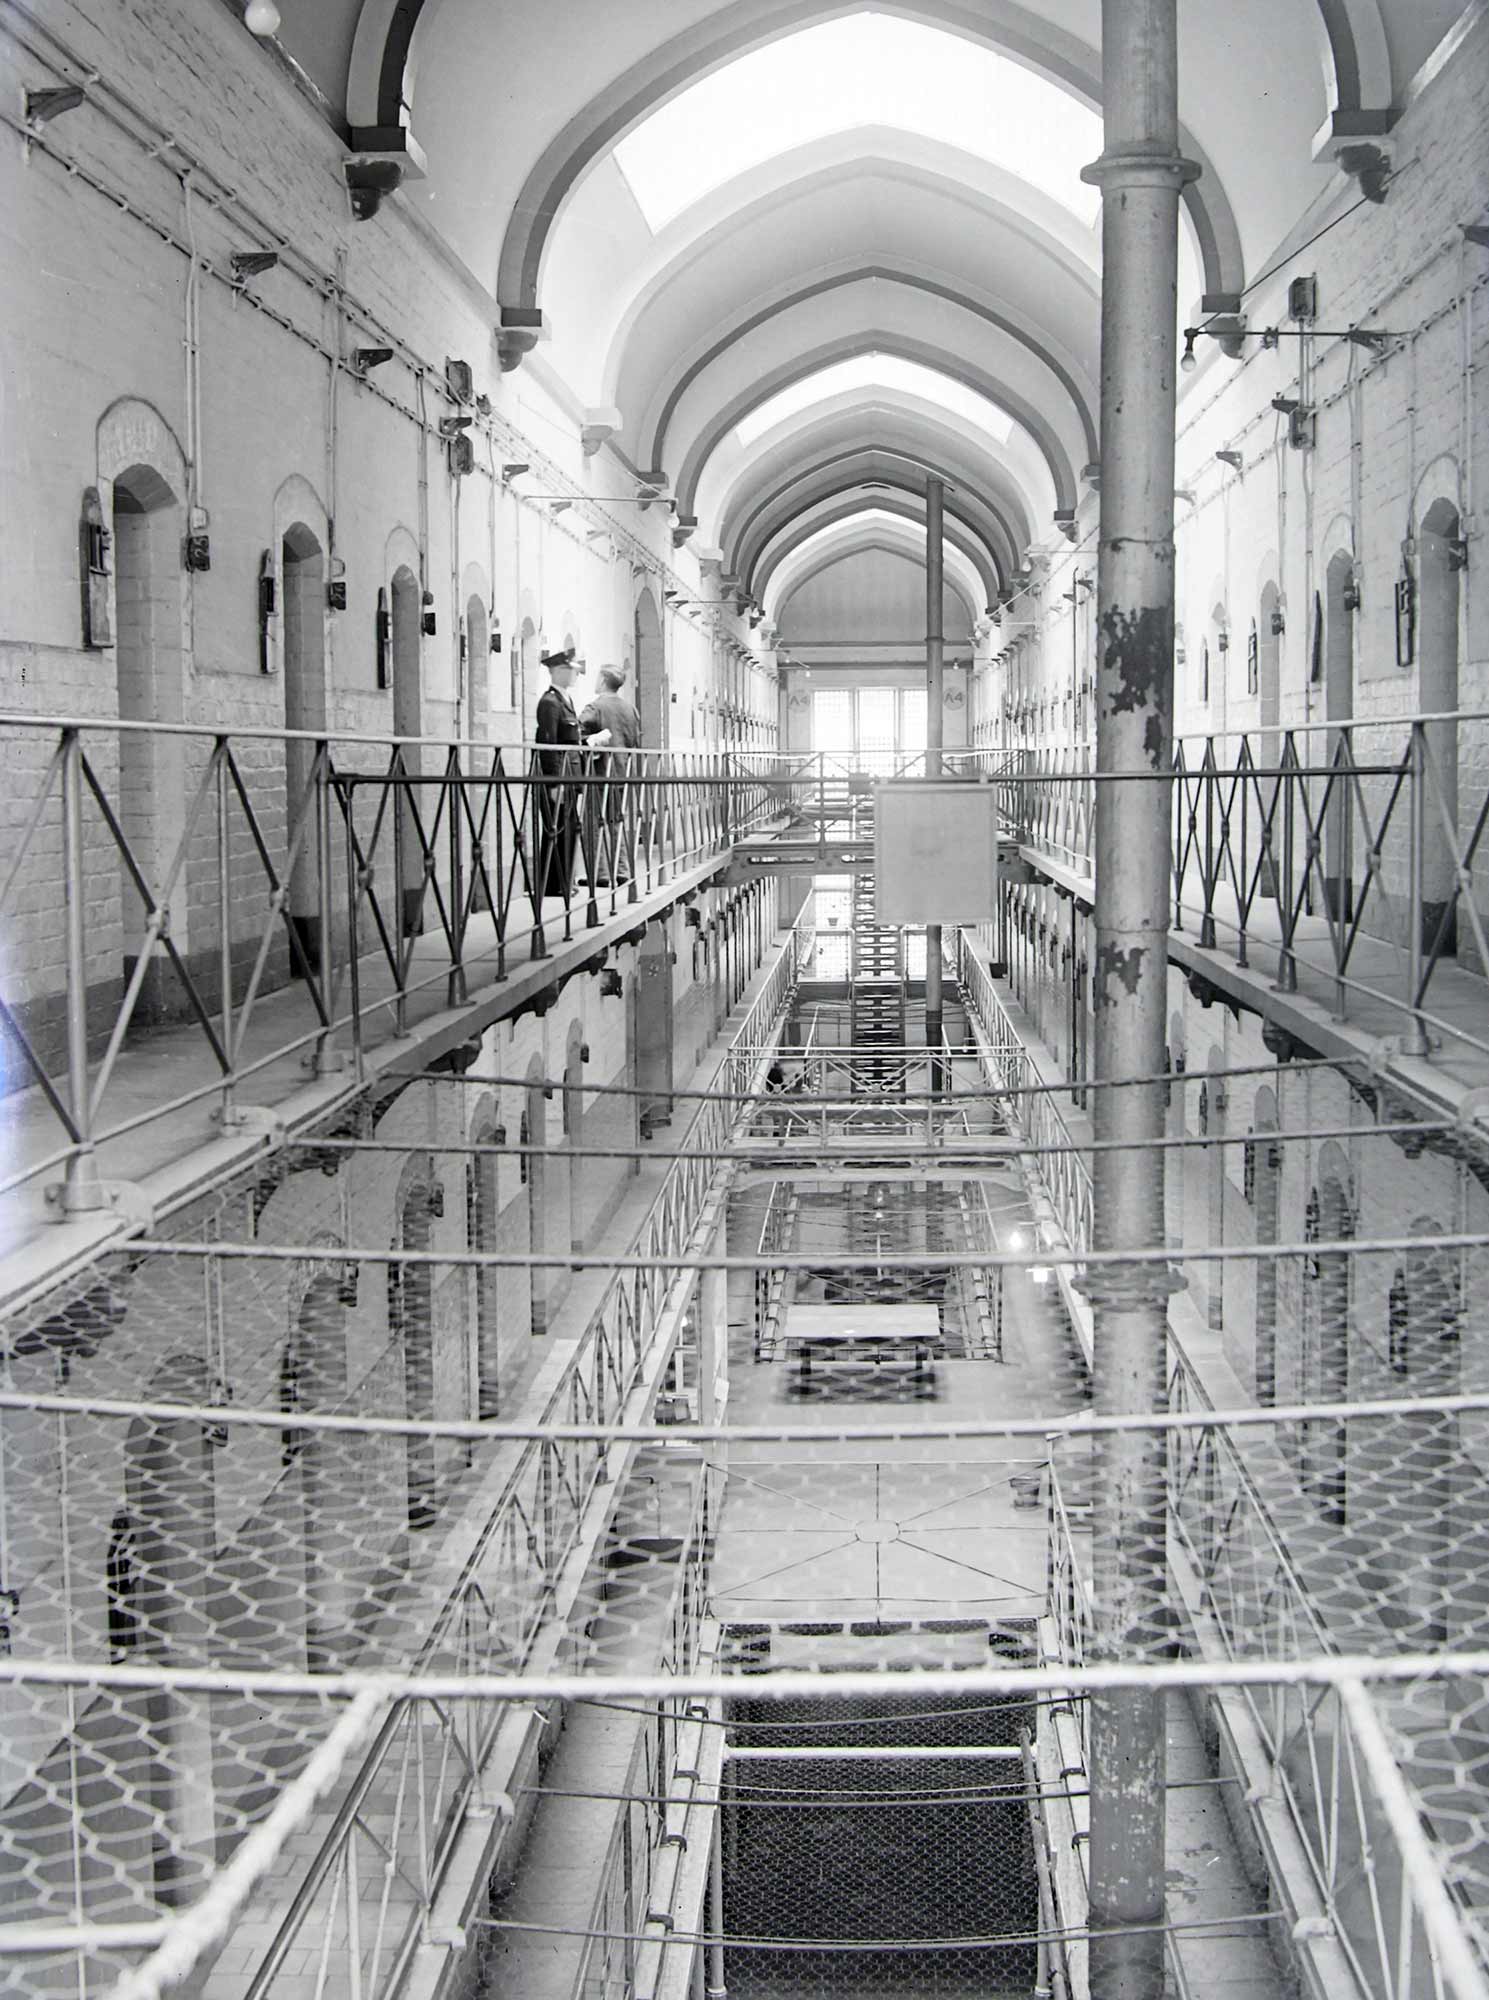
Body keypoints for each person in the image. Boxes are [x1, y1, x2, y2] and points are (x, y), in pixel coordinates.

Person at [578, 665, 642, 883]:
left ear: (604, 680)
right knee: (617, 821)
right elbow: (634, 741)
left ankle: (600, 873)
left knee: (594, 823)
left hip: (599, 772)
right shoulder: (630, 709)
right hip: (622, 772)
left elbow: (577, 734)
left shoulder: (595, 708)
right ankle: (622, 869)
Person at [534, 647, 581, 899]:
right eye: (570, 670)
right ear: (557, 671)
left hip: (570, 775)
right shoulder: (550, 702)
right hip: (559, 776)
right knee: (558, 828)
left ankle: (563, 880)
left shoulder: (564, 700)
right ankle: (556, 883)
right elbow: (548, 741)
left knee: (567, 827)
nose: (575, 675)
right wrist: (553, 782)